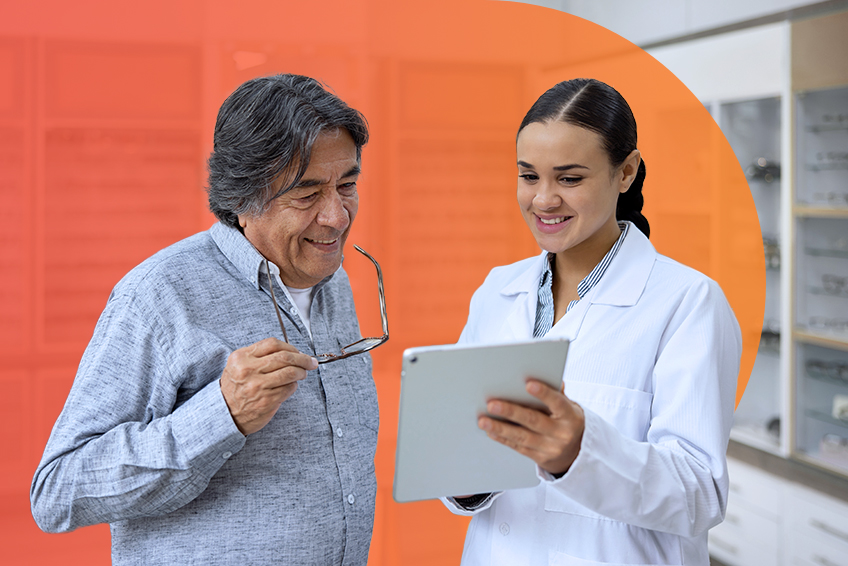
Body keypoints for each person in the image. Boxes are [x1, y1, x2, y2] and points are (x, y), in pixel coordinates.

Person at [31, 74, 381, 565]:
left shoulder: (333, 282)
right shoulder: (160, 294)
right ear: (242, 197)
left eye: (347, 186)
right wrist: (221, 415)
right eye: (307, 195)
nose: (337, 217)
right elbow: (57, 492)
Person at [442, 78, 742, 565]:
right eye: (528, 176)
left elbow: (700, 493)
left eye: (570, 178)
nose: (543, 200)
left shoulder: (688, 302)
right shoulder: (497, 292)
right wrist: (464, 473)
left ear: (626, 172)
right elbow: (461, 451)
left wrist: (581, 454)